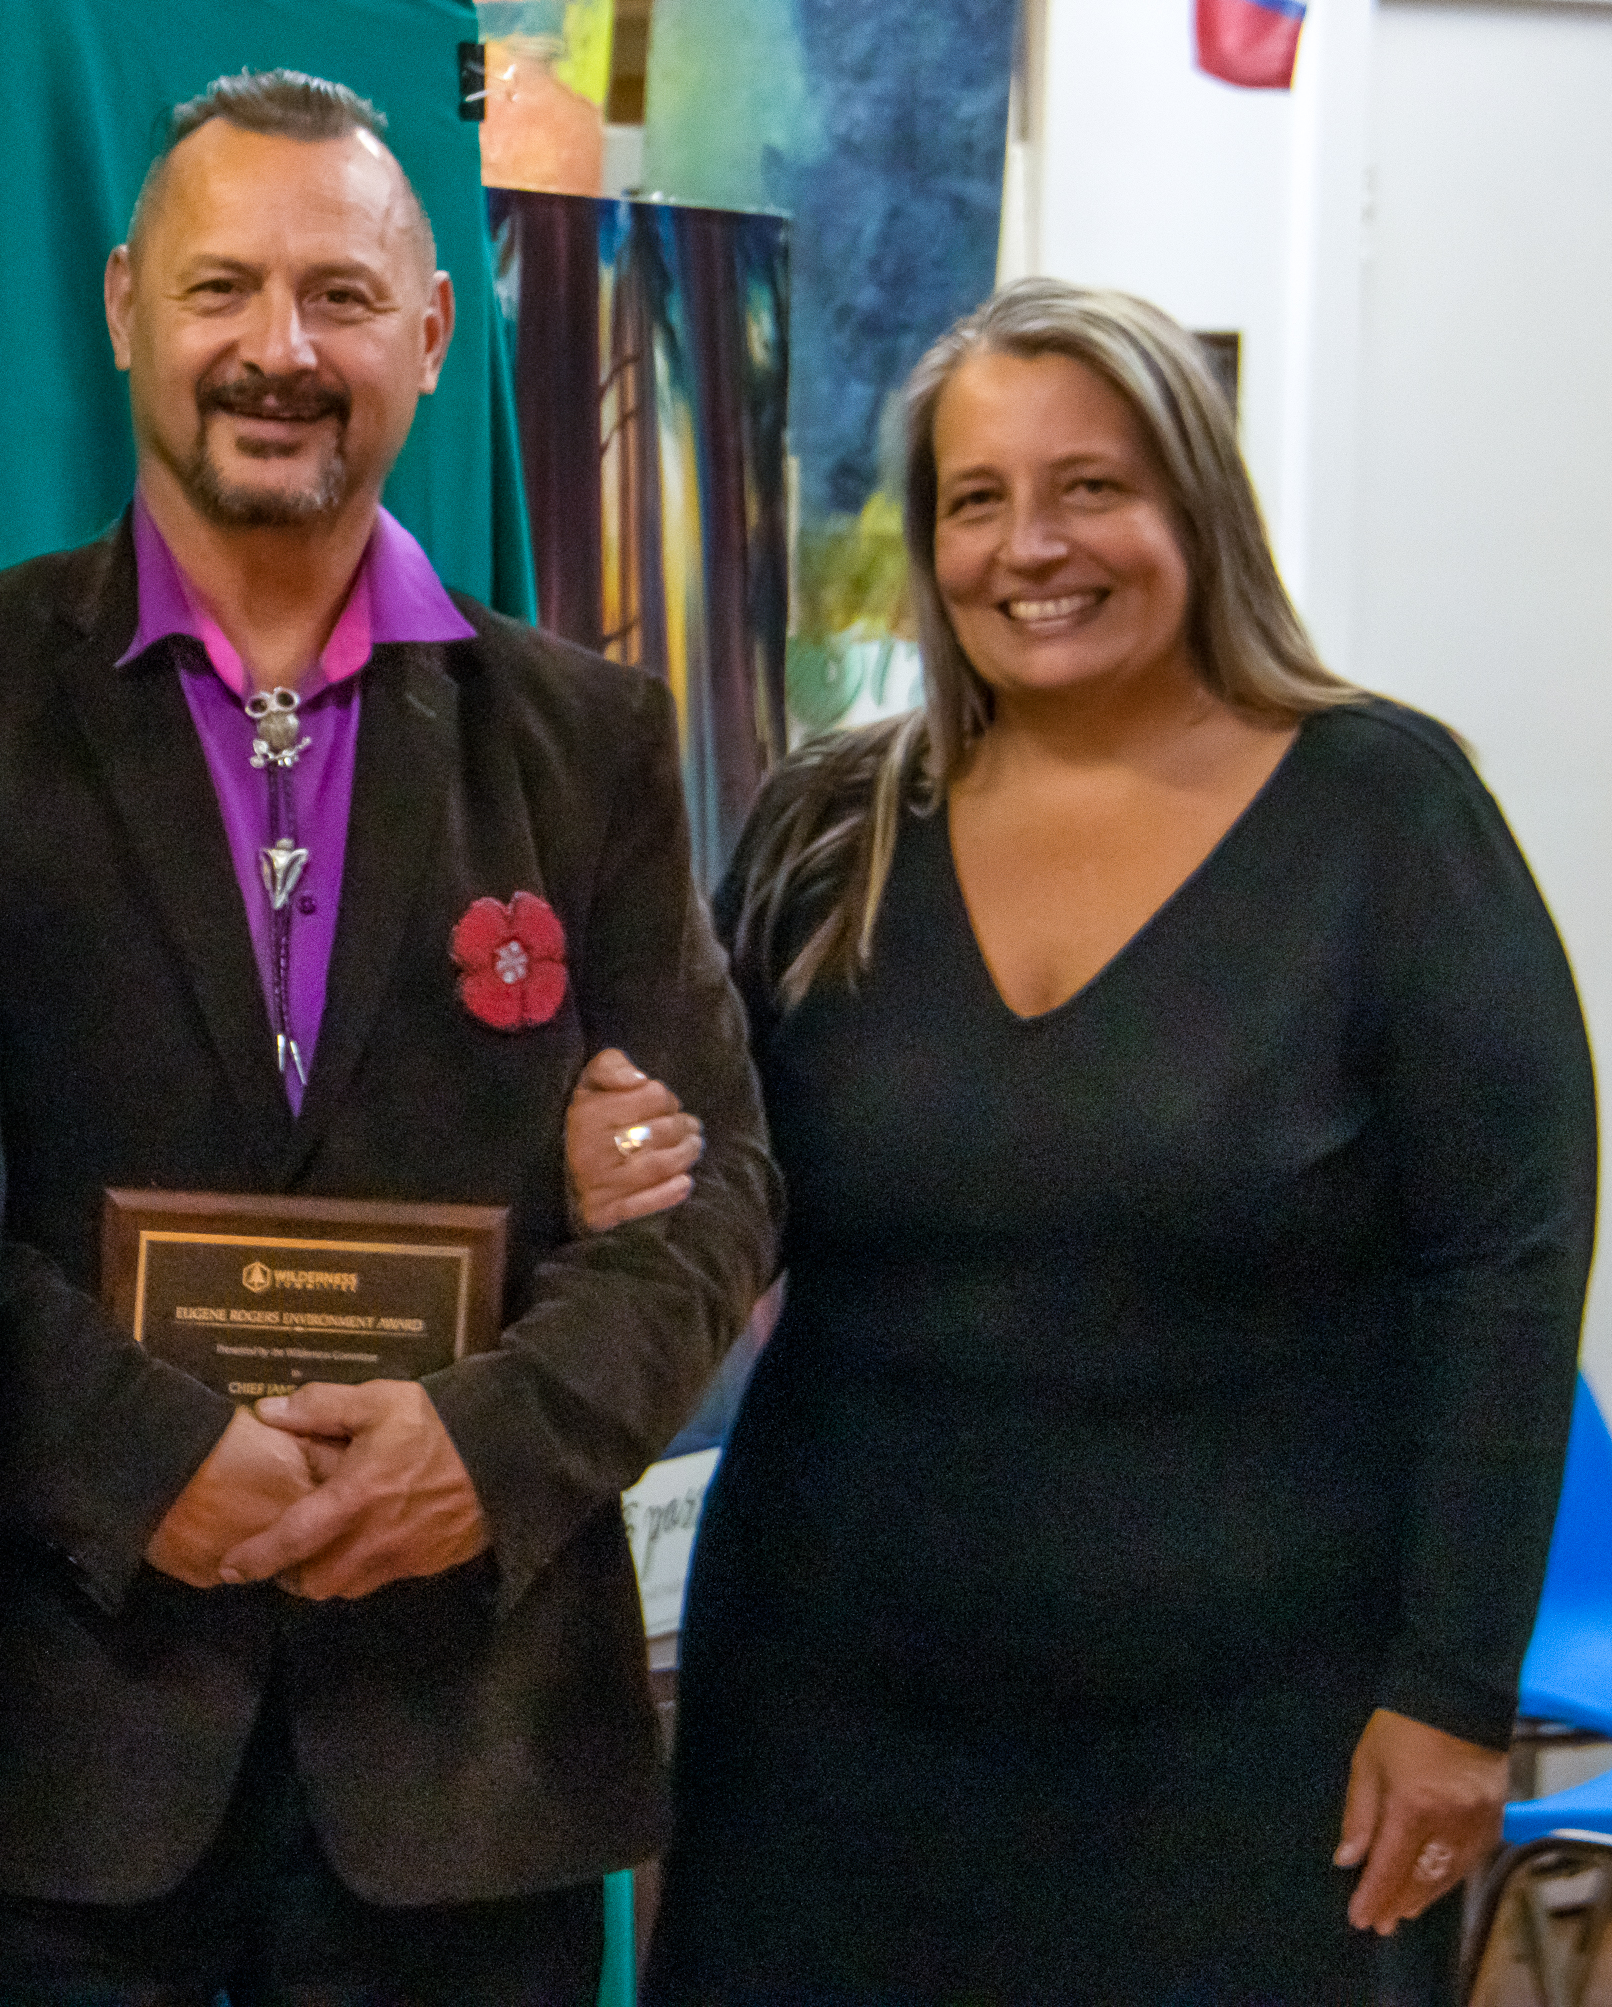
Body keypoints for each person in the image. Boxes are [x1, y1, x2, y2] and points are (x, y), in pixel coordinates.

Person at [0, 71, 776, 2006]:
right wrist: (132, 1452)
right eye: (220, 290)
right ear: (119, 310)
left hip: (466, 1768)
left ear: (434, 332)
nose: (280, 350)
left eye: (341, 297)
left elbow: (719, 1192)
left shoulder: (583, 743)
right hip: (46, 1759)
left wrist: (485, 1447)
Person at [635, 278, 1597, 2005]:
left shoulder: (1389, 813)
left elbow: (1507, 1274)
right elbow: (707, 1195)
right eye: (977, 498)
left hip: (1256, 1737)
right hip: (831, 1712)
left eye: (1093, 486)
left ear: (1195, 506)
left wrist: (1452, 1690)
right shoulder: (830, 824)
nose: (1033, 546)